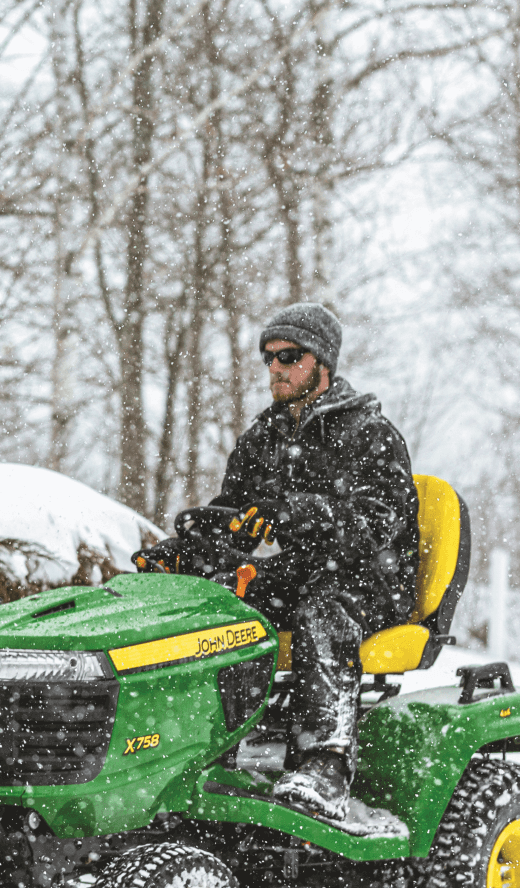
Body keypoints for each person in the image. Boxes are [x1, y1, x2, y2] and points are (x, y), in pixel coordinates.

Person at [133, 303, 418, 820]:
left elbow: (379, 525)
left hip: (367, 582)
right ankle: (192, 748)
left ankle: (325, 763)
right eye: (269, 358)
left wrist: (299, 513)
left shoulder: (370, 433)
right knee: (211, 602)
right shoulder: (262, 439)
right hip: (296, 574)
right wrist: (185, 553)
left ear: (322, 363)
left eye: (290, 356)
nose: (276, 369)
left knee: (321, 611)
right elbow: (232, 517)